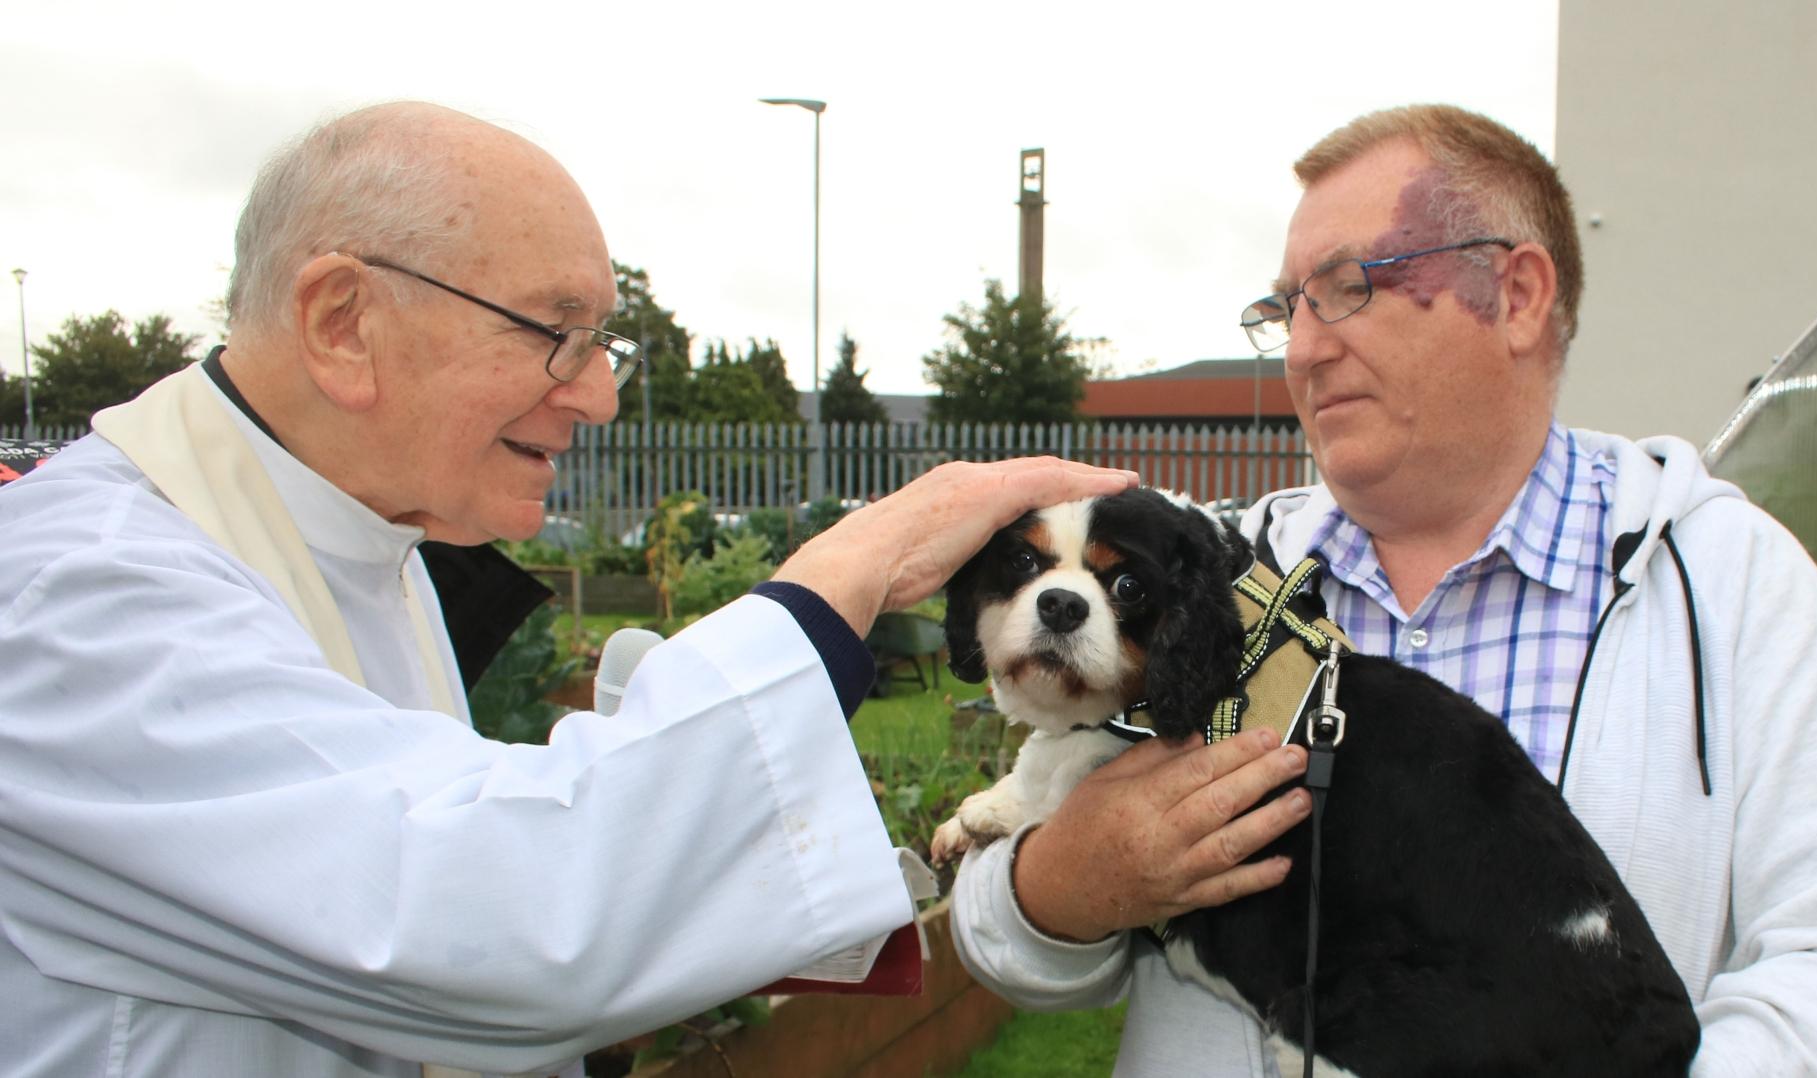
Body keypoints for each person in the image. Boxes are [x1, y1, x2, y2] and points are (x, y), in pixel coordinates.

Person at [0, 101, 1265, 1078]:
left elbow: (456, 830)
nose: (599, 393)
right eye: (553, 332)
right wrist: (851, 568)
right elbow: (499, 921)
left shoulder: (354, 545)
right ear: (342, 320)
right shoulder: (85, 601)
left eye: (601, 342)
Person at [949, 103, 1817, 1075]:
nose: (1303, 349)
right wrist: (1059, 887)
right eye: (1288, 308)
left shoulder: (1732, 587)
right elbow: (999, 939)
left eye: (1348, 288)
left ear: (1517, 295)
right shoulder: (1203, 581)